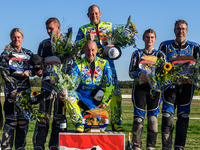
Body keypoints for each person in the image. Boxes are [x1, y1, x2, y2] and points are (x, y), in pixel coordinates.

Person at [75, 4, 123, 131]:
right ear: (88, 15)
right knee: (88, 91)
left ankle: (116, 122)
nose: (94, 15)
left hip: (107, 63)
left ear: (100, 14)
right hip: (92, 64)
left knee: (116, 91)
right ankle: (87, 120)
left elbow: (118, 44)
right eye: (91, 13)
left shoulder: (109, 26)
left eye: (96, 13)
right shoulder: (83, 29)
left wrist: (113, 45)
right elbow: (77, 47)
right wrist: (85, 40)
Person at [159, 20, 200, 150]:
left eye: (183, 29)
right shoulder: (164, 46)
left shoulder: (195, 47)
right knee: (166, 117)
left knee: (183, 118)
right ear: (174, 30)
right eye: (178, 28)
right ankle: (166, 147)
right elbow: (158, 68)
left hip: (187, 88)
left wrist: (194, 79)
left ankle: (179, 147)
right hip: (169, 88)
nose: (180, 31)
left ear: (187, 31)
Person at [58, 40, 114, 132]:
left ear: (96, 50)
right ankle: (79, 124)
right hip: (81, 96)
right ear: (84, 50)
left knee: (97, 127)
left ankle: (88, 119)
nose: (90, 53)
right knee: (69, 96)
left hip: (96, 99)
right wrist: (64, 91)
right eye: (88, 50)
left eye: (92, 50)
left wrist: (105, 101)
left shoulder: (104, 63)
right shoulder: (77, 64)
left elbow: (110, 84)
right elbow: (72, 82)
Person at [129, 29, 166, 150]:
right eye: (147, 37)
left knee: (153, 119)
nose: (149, 40)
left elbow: (165, 73)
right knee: (139, 119)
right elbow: (131, 72)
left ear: (155, 39)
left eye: (151, 37)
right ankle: (136, 146)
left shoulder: (160, 55)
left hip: (154, 90)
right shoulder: (137, 54)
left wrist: (155, 76)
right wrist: (139, 75)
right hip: (140, 89)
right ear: (143, 38)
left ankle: (151, 146)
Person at [33, 17, 64, 150]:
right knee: (43, 117)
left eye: (51, 28)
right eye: (47, 29)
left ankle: (55, 146)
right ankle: (39, 145)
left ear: (59, 28)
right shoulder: (43, 44)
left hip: (62, 86)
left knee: (59, 118)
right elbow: (39, 64)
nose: (49, 31)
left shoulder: (68, 44)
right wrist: (39, 71)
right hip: (46, 85)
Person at [0, 28, 33, 150]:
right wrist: (12, 89)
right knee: (11, 122)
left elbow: (35, 67)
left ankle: (21, 148)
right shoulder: (6, 54)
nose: (16, 39)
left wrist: (30, 72)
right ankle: (6, 148)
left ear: (22, 38)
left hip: (25, 92)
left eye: (18, 37)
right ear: (11, 38)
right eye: (14, 37)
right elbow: (4, 72)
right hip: (11, 93)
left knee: (23, 122)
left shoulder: (28, 53)